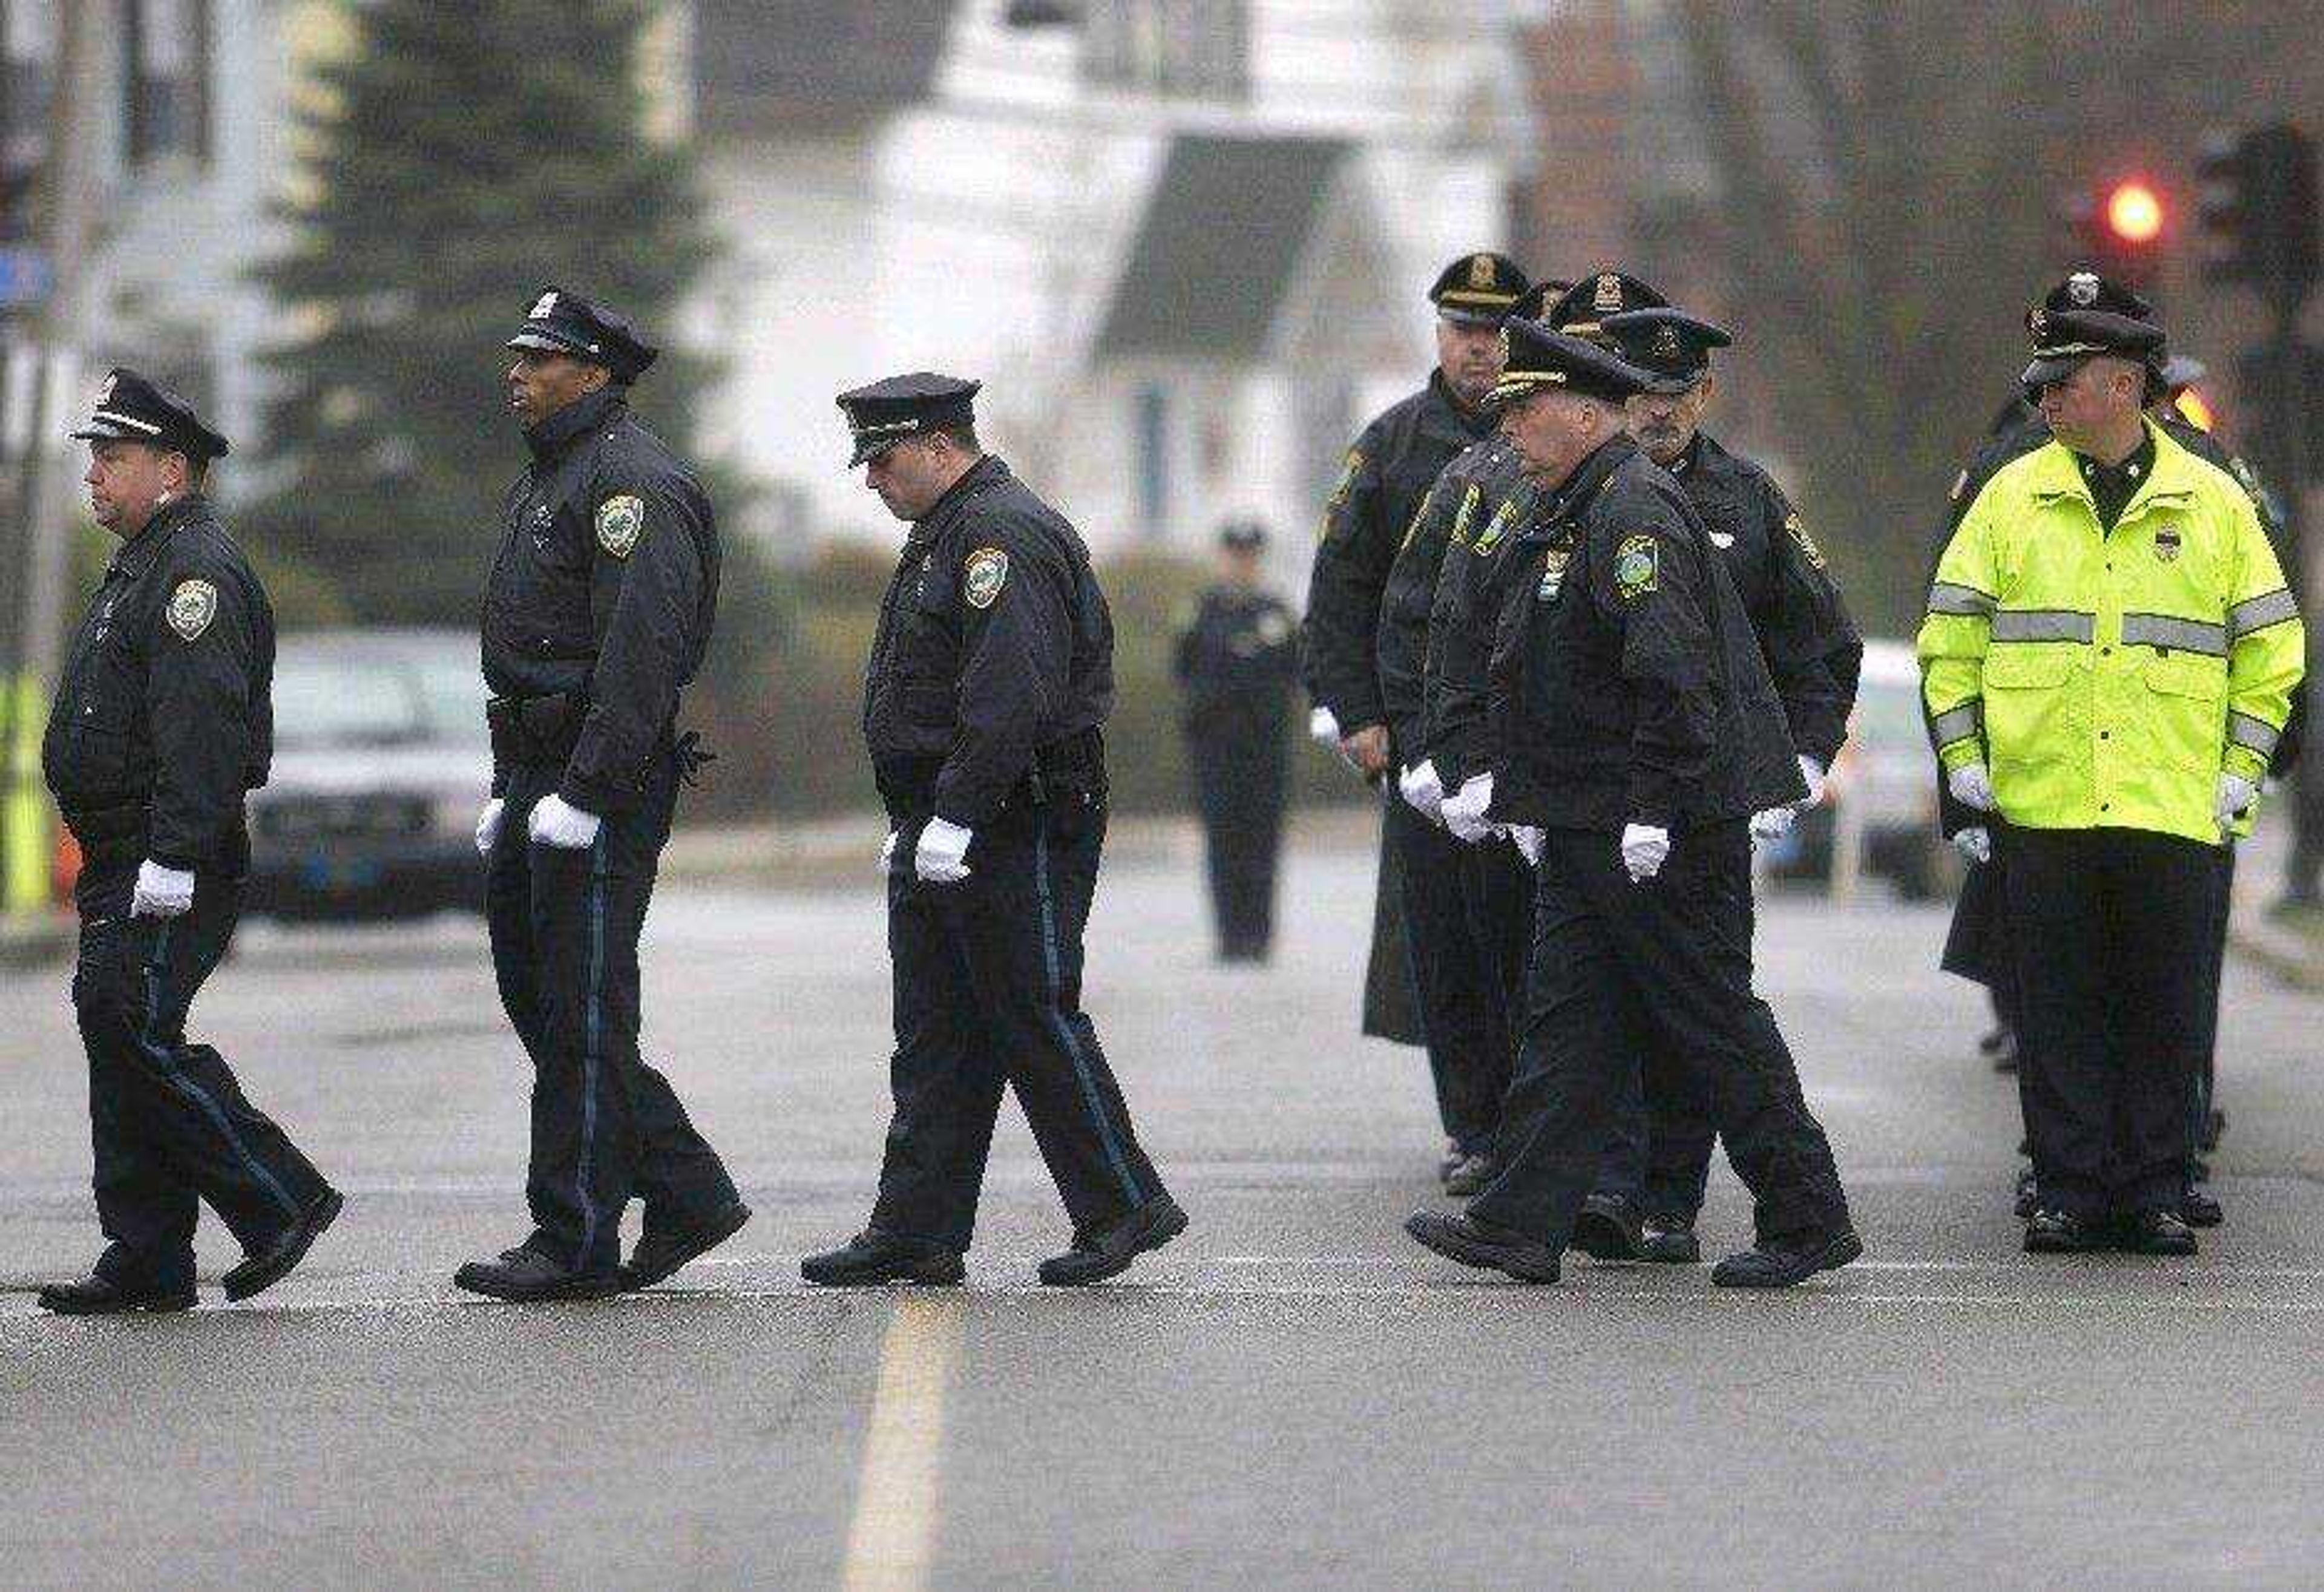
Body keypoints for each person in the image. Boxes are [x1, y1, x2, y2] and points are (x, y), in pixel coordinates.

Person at [1403, 321, 1859, 1289]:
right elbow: (1532, 659)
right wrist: (1511, 782)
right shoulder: (1571, 503)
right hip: (1584, 817)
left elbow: (1673, 673)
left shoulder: (1633, 512)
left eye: (1526, 410)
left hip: (1658, 826)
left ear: (1581, 412)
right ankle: (1521, 1220)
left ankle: (1806, 1211)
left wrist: (1656, 806)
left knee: (1713, 1021)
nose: (1511, 427)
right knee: (1566, 1022)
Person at [1920, 274, 2305, 1256]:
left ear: (2125, 386)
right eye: (2042, 383)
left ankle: (2153, 1190)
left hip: (2171, 797)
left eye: (2064, 381)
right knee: (2057, 1012)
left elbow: (2274, 650)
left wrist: (2243, 768)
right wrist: (1963, 760)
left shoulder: (2213, 503)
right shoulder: (2013, 496)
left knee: (2164, 1012)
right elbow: (1949, 638)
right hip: (2044, 798)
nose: (2043, 400)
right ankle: (2069, 1189)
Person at [804, 372, 1183, 1288]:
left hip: (1016, 817)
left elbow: (1011, 692)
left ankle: (1124, 1202)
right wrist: (922, 817)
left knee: (1030, 1010)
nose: (872, 480)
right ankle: (919, 1228)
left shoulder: (998, 532)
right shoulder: (946, 529)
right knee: (937, 1027)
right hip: (954, 817)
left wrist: (959, 813)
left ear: (940, 445)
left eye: (885, 459)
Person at [456, 288, 747, 1302]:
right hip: (542, 767)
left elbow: (641, 655)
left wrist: (586, 789)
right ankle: (688, 1187)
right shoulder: (556, 476)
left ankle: (574, 1235)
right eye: (517, 355)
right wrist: (513, 786)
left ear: (596, 372)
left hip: (598, 774)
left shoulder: (632, 485)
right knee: (543, 995)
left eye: (540, 359)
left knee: (579, 1005)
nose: (518, 375)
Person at [36, 369, 341, 1314]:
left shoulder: (194, 572)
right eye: (93, 456)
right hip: (123, 851)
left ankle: (280, 1195)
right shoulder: (145, 561)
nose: (94, 474)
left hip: (167, 858)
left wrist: (174, 854)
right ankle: (146, 1252)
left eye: (113, 457)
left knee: (131, 1023)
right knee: (119, 1029)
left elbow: (201, 730)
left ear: (173, 468)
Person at [1584, 289, 1863, 1260]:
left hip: (1706, 800)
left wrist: (1803, 760)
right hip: (1606, 794)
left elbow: (1824, 642)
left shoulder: (1749, 501)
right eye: (1638, 392)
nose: (1655, 410)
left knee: (1701, 1007)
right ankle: (1605, 1192)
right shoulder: (1590, 495)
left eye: (1674, 391)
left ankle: (1671, 1197)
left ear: (1703, 394)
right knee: (1595, 998)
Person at [1303, 250, 1530, 1185]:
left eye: (1494, 331)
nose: (1478, 349)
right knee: (1441, 938)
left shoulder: (1550, 435)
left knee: (1528, 936)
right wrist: (1356, 713)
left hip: (1521, 732)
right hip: (1422, 736)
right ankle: (1475, 1126)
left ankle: (1541, 1120)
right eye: (1463, 330)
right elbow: (1341, 586)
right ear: (1439, 335)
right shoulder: (1393, 444)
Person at [1173, 520, 1300, 961]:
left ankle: (1259, 934)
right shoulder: (1203, 610)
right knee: (1223, 841)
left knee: (1262, 841)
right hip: (1217, 748)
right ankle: (1230, 935)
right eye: (1235, 555)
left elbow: (1293, 674)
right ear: (1223, 557)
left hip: (1265, 749)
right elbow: (1185, 670)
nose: (1242, 563)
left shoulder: (1276, 610)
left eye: (1250, 556)